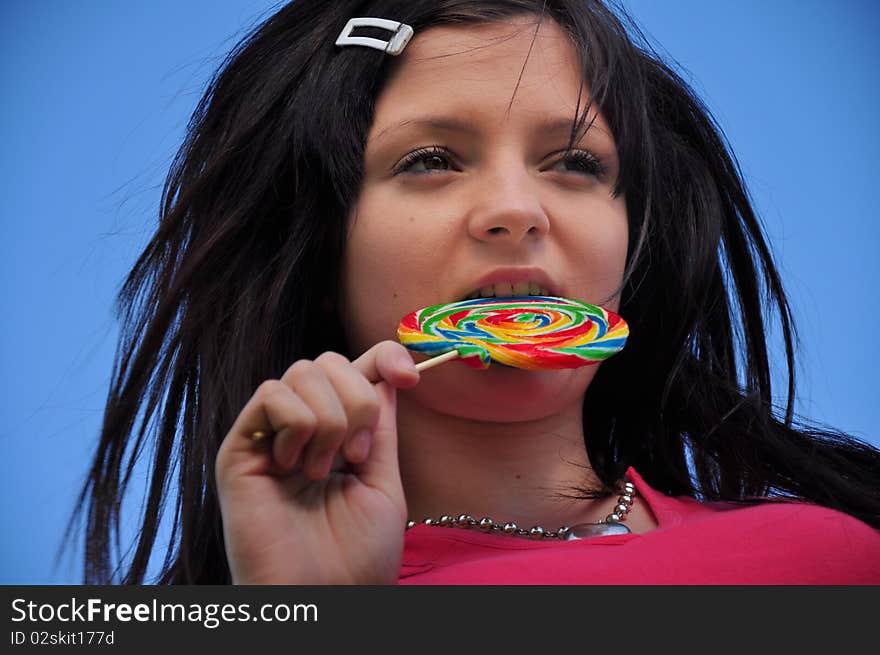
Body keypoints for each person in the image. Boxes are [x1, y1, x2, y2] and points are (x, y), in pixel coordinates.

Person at [70, 0, 880, 584]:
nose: (516, 211)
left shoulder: (828, 561)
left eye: (575, 162)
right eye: (430, 160)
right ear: (317, 252)